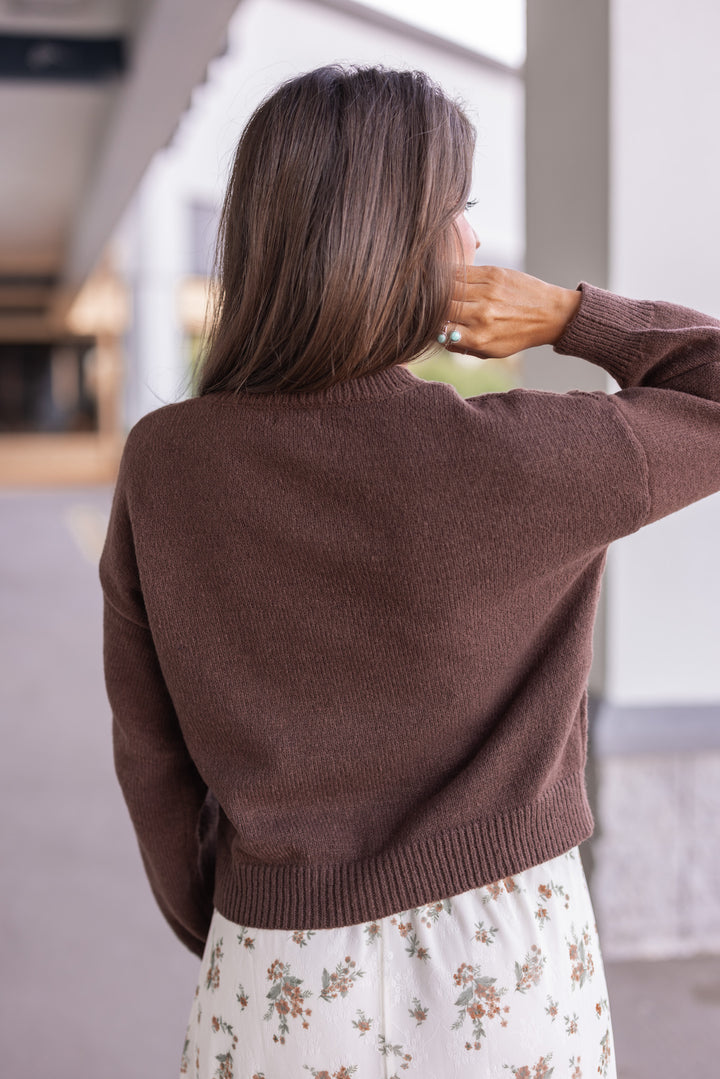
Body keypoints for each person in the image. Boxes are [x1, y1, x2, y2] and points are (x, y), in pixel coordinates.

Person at [98, 64, 720, 1079]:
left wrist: (237, 916)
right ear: (402, 240)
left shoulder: (168, 462)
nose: (474, 241)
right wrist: (573, 316)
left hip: (278, 974)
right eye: (459, 211)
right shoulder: (530, 461)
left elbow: (151, 752)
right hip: (513, 975)